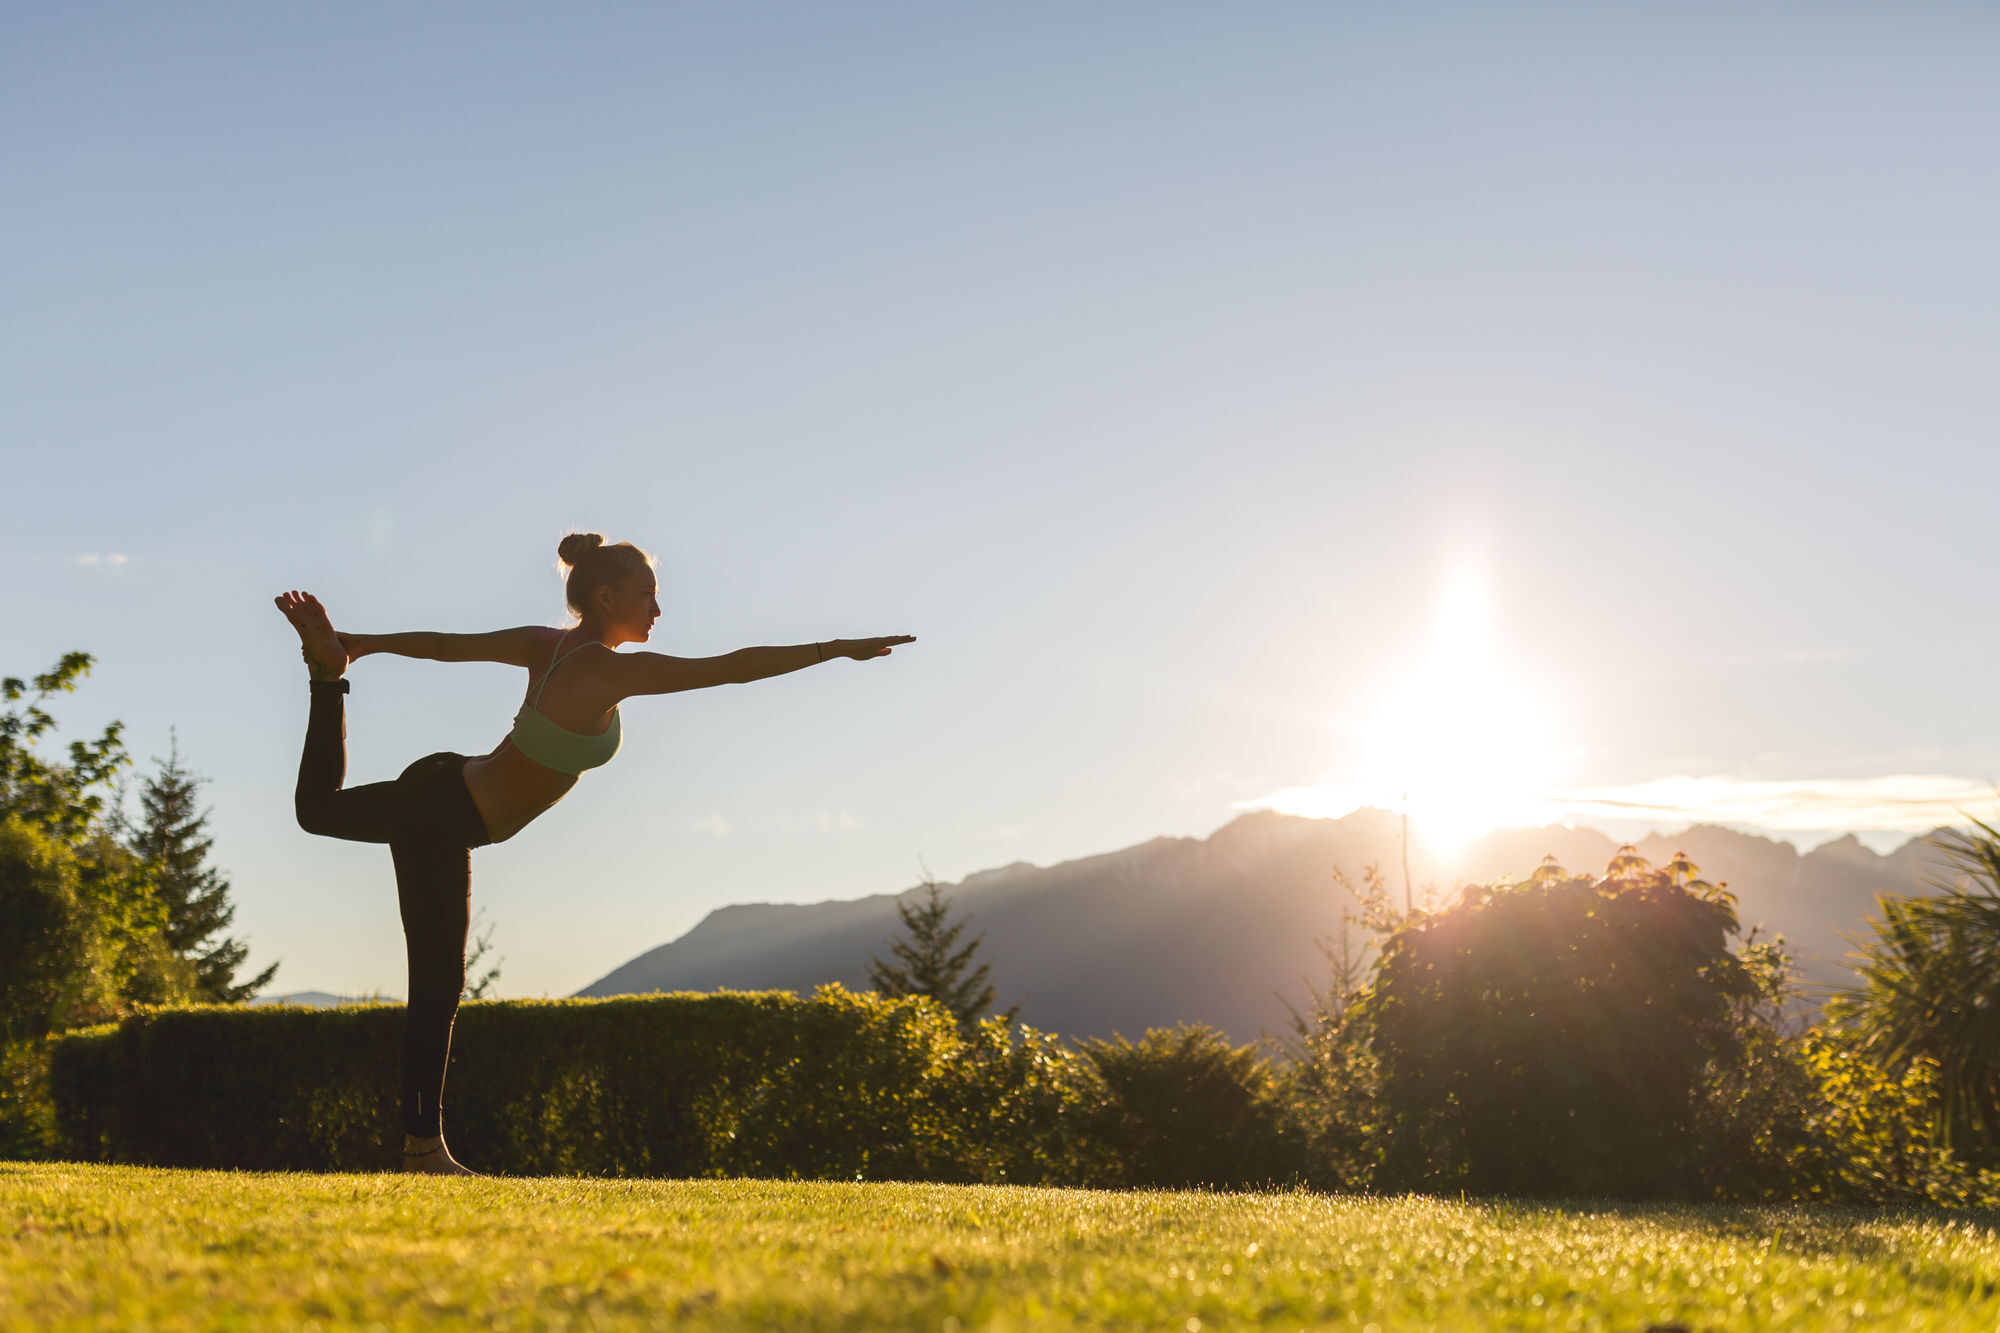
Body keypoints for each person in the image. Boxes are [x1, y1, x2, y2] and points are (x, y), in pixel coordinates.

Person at [274, 532, 913, 1174]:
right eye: (648, 596)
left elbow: (444, 646)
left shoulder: (547, 646)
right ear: (607, 596)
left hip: (445, 790)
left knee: (318, 813)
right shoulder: (605, 671)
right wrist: (833, 650)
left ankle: (328, 678)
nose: (658, 611)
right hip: (444, 813)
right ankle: (421, 1151)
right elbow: (728, 667)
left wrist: (356, 646)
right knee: (437, 981)